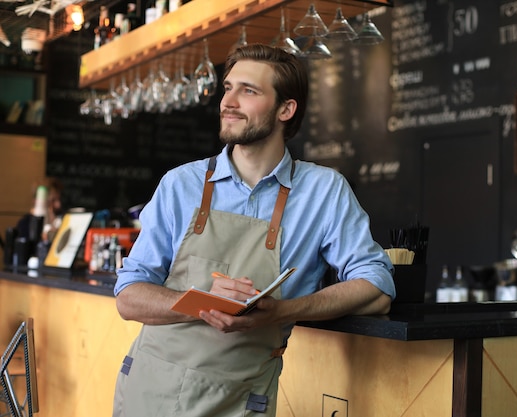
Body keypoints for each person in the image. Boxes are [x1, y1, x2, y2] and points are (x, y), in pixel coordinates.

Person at [112, 44, 395, 417]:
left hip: (242, 401)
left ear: (286, 109)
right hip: (151, 394)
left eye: (248, 90)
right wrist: (202, 303)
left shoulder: (323, 192)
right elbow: (128, 297)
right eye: (227, 88)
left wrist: (282, 311)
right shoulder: (181, 184)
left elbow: (377, 287)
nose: (228, 101)